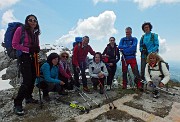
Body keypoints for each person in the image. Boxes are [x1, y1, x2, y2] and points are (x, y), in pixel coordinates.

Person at [12, 14, 40, 116]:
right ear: (26, 21)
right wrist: (28, 49)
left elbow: (36, 45)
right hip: (23, 57)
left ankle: (28, 97)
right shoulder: (20, 30)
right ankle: (17, 103)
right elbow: (14, 44)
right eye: (30, 20)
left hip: (32, 57)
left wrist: (37, 48)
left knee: (33, 77)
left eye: (35, 20)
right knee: (27, 79)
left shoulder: (35, 33)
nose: (33, 22)